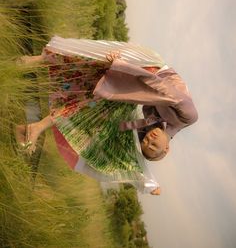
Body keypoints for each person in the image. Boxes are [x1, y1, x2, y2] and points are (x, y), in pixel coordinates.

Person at [16, 36, 198, 195]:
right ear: (167, 149)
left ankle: (35, 128)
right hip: (148, 67)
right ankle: (37, 60)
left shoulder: (152, 126)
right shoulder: (188, 117)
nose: (150, 140)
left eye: (146, 144)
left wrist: (147, 184)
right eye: (154, 145)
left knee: (91, 105)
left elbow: (131, 154)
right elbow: (161, 88)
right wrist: (121, 66)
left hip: (136, 80)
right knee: (90, 62)